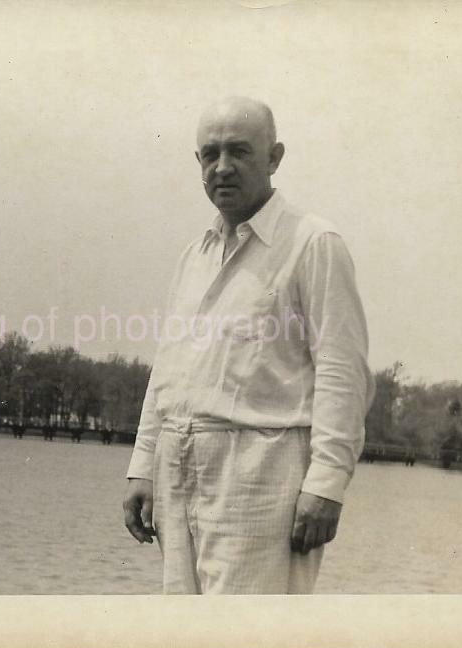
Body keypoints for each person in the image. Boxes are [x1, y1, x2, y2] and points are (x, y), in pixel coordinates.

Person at [122, 97, 374, 594]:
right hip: (179, 468)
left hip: (263, 476)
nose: (223, 167)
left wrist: (326, 483)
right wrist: (142, 466)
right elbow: (170, 370)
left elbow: (343, 374)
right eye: (210, 154)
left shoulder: (313, 243)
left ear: (274, 157)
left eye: (239, 152)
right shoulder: (194, 255)